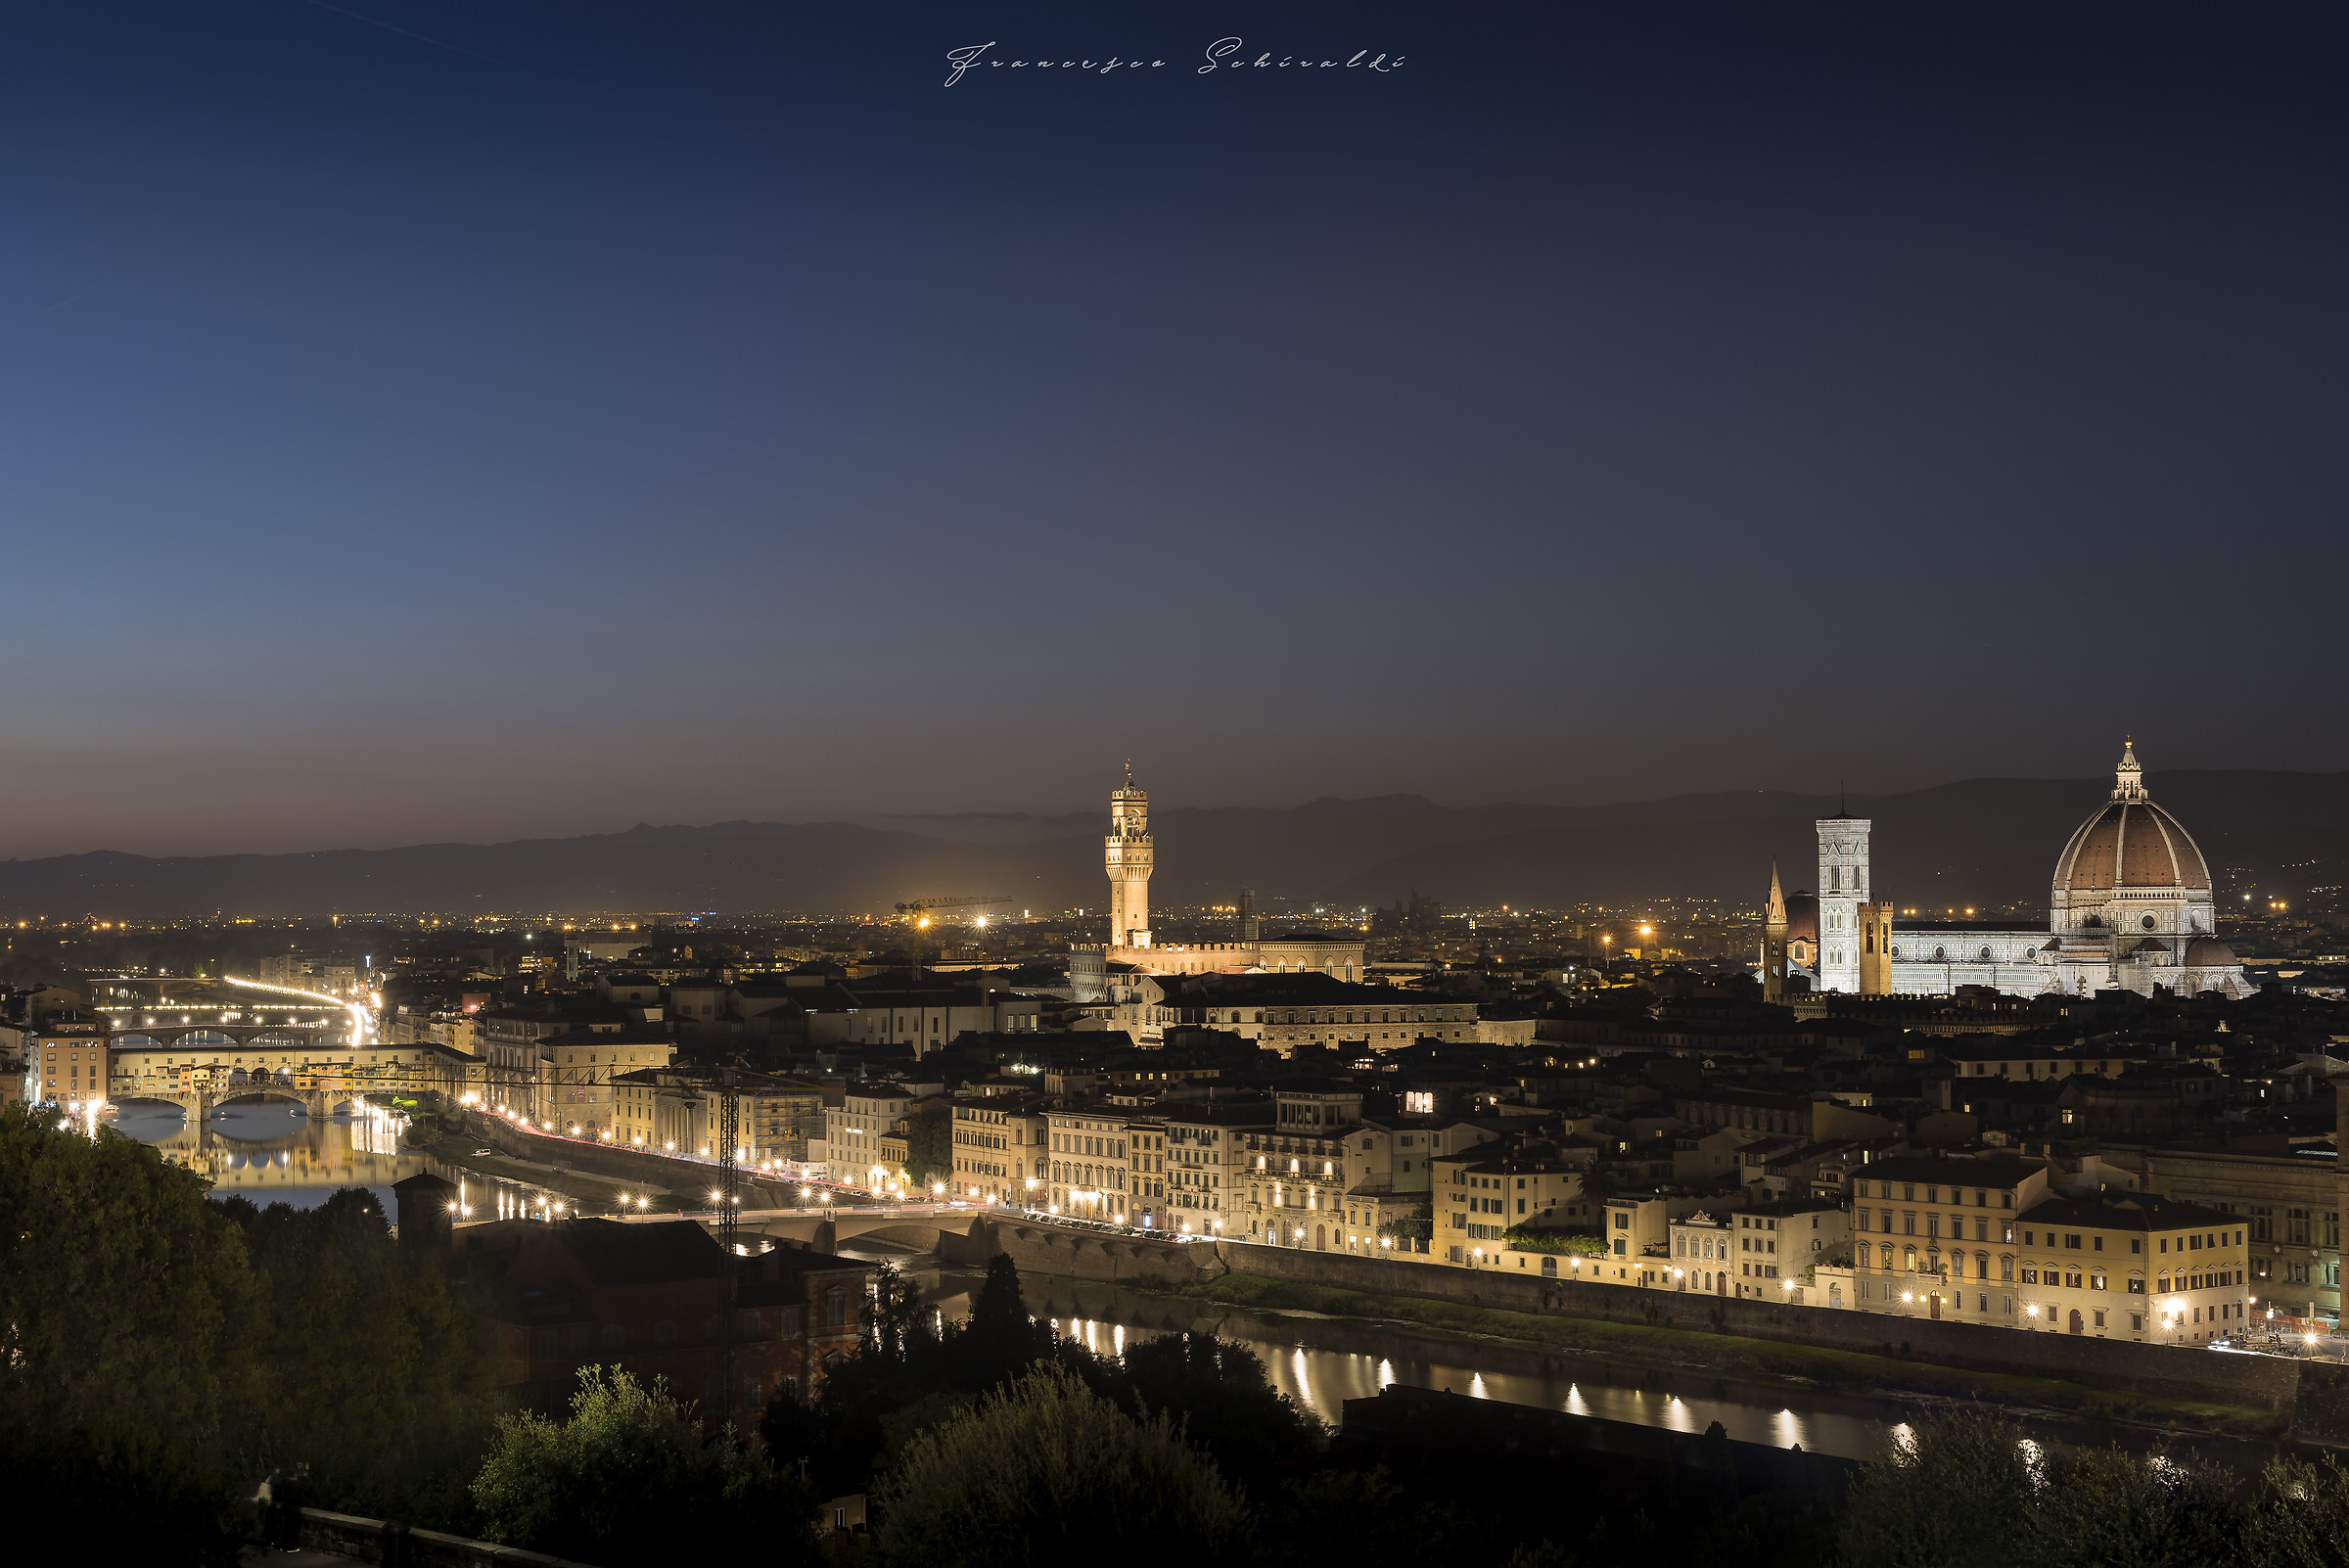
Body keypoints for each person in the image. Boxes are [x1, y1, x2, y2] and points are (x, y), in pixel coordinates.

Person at [275, 1462, 308, 1551]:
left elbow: (281, 1495)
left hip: (287, 1508)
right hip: (295, 1509)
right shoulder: (297, 1485)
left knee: (286, 1528)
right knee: (293, 1529)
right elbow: (301, 1497)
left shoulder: (285, 1483)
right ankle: (291, 1546)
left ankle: (283, 1545)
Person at [253, 1466, 283, 1550]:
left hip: (268, 1504)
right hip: (273, 1504)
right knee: (272, 1522)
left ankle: (266, 1540)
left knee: (268, 1522)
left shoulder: (270, 1477)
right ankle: (270, 1541)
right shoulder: (276, 1478)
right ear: (277, 1469)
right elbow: (277, 1491)